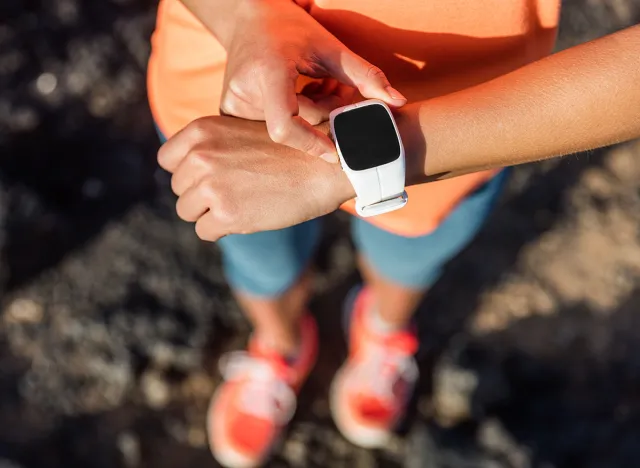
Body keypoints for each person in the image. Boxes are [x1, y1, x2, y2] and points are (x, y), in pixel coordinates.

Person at [149, 0, 640, 466]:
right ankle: (279, 344)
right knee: (260, 260)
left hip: (461, 123)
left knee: (408, 258)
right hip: (224, 89)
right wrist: (242, 16)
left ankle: (382, 328)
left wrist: (353, 164)